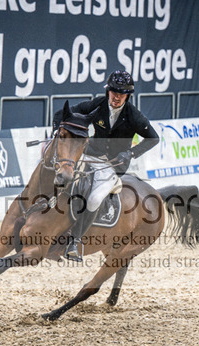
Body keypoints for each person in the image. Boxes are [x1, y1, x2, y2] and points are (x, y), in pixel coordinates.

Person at [53, 70, 160, 262]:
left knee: (94, 198)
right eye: (114, 92)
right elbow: (63, 113)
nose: (117, 97)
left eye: (122, 94)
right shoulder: (98, 104)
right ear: (108, 91)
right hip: (90, 154)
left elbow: (153, 138)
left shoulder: (134, 116)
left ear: (127, 96)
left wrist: (131, 153)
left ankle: (74, 242)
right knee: (64, 178)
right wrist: (57, 130)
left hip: (114, 164)